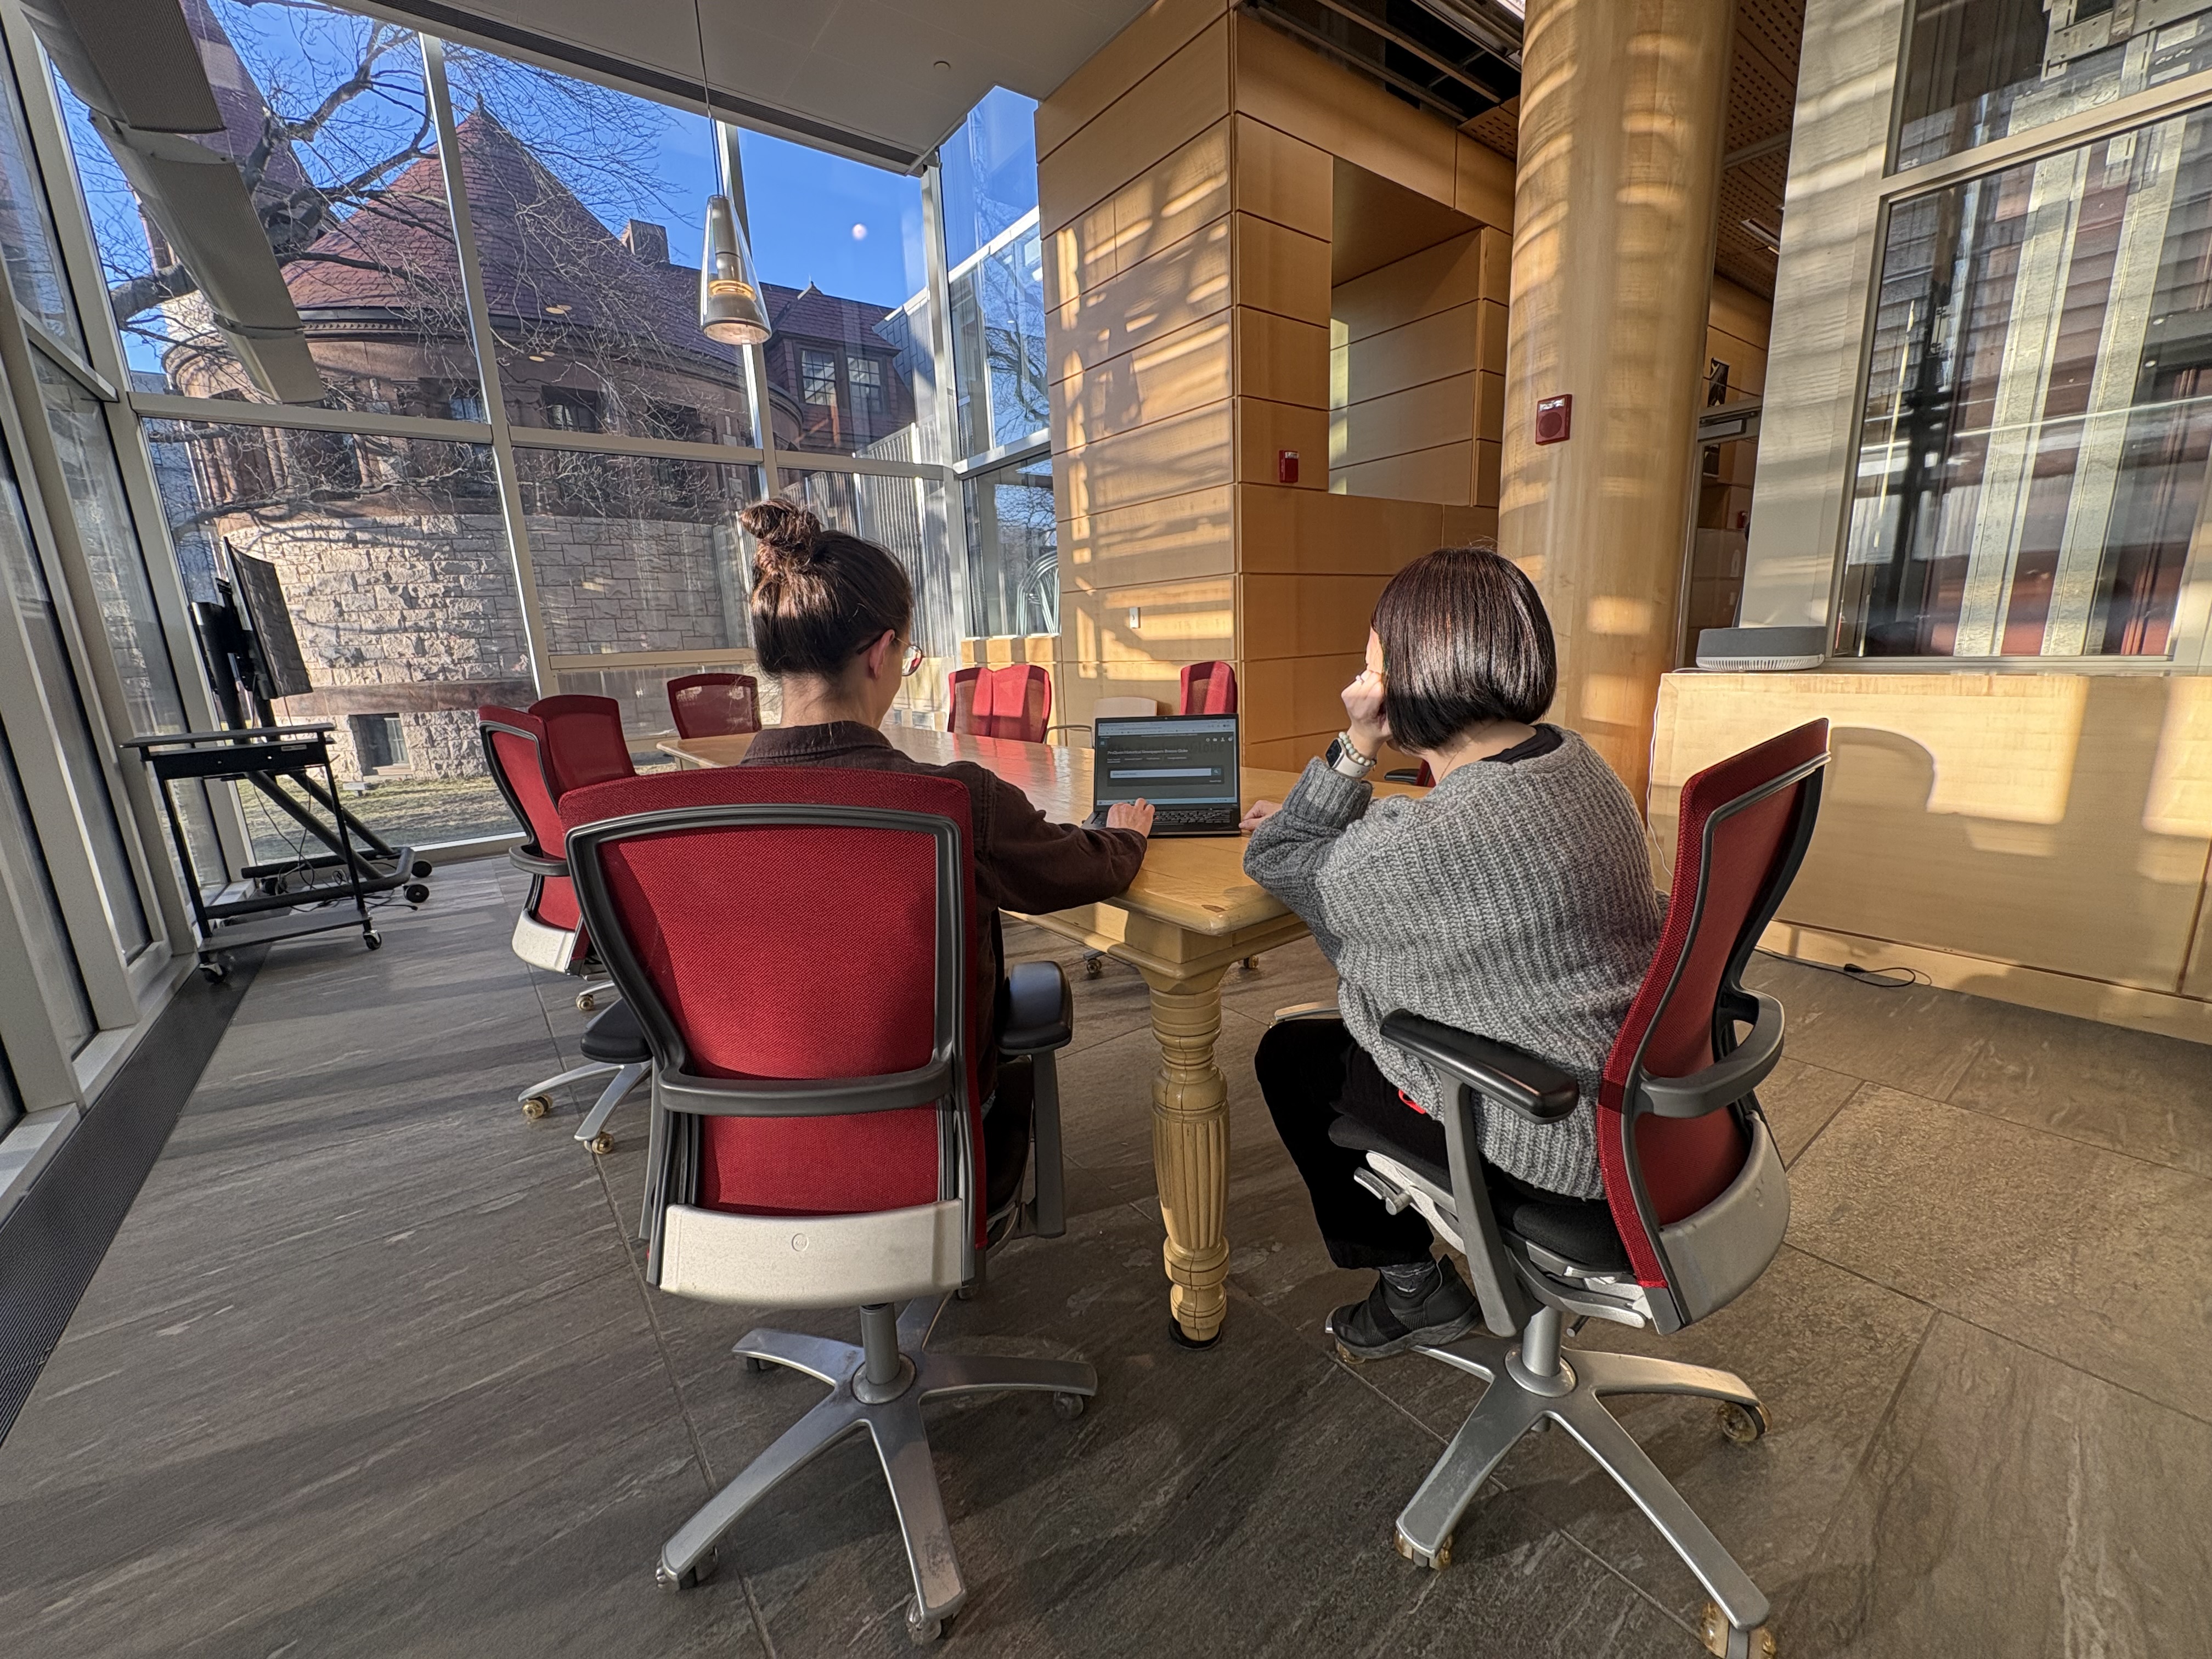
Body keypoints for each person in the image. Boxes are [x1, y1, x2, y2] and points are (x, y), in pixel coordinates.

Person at [1240, 544, 1662, 1359]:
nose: (1367, 689)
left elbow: (1281, 855)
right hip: (1646, 1106)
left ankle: (1412, 1290)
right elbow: (1460, 848)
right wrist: (1374, 816)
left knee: (1293, 1058)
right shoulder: (1581, 763)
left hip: (1555, 1141)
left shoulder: (1419, 849)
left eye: (1373, 674)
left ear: (1416, 683)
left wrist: (1356, 744)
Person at [733, 499, 1154, 1219]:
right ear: (880, 652)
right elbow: (1085, 870)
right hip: (934, 1143)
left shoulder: (692, 820)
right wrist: (1128, 834)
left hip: (749, 1146)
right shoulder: (949, 802)